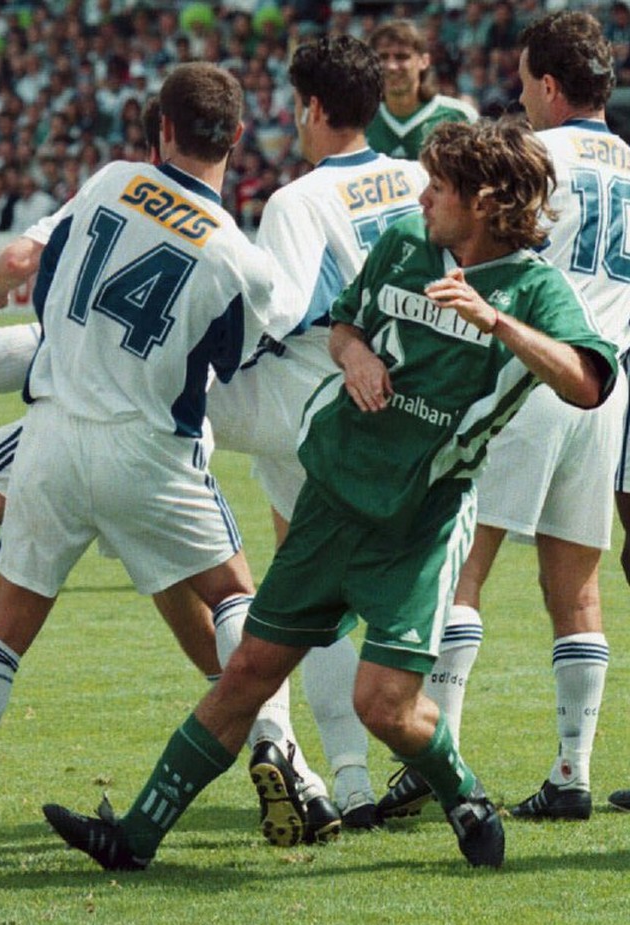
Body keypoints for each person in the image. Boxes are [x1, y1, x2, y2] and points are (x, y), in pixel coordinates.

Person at [44, 118, 618, 872]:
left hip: (420, 518)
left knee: (384, 706)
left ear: (482, 202)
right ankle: (133, 840)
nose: (423, 197)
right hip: (334, 495)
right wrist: (355, 361)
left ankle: (464, 793)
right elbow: (346, 324)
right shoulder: (406, 247)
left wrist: (498, 322)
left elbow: (585, 381)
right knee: (249, 668)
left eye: (439, 187)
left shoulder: (534, 288)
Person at [0, 62, 305, 851]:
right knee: (231, 593)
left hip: (52, 438)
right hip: (149, 450)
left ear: (162, 130)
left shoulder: (109, 181)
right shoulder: (240, 260)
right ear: (238, 138)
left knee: (2, 632)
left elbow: (35, 278)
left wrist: (5, 300)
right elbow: (233, 360)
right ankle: (276, 743)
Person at [205, 34, 433, 830]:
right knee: (408, 585)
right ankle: (431, 760)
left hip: (325, 407)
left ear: (310, 109)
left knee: (316, 597)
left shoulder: (299, 201)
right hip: (420, 406)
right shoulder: (417, 175)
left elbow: (280, 309)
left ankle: (349, 778)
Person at [434, 11, 630, 823]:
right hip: (605, 390)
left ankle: (437, 760)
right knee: (577, 587)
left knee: (462, 566)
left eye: (522, 83)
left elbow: (484, 254)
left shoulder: (531, 157)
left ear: (549, 86)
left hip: (528, 374)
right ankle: (572, 770)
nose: (519, 97)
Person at [365, 20, 478, 160]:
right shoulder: (359, 120)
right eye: (383, 57)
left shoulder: (459, 116)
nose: (391, 66)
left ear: (424, 61)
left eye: (402, 57)